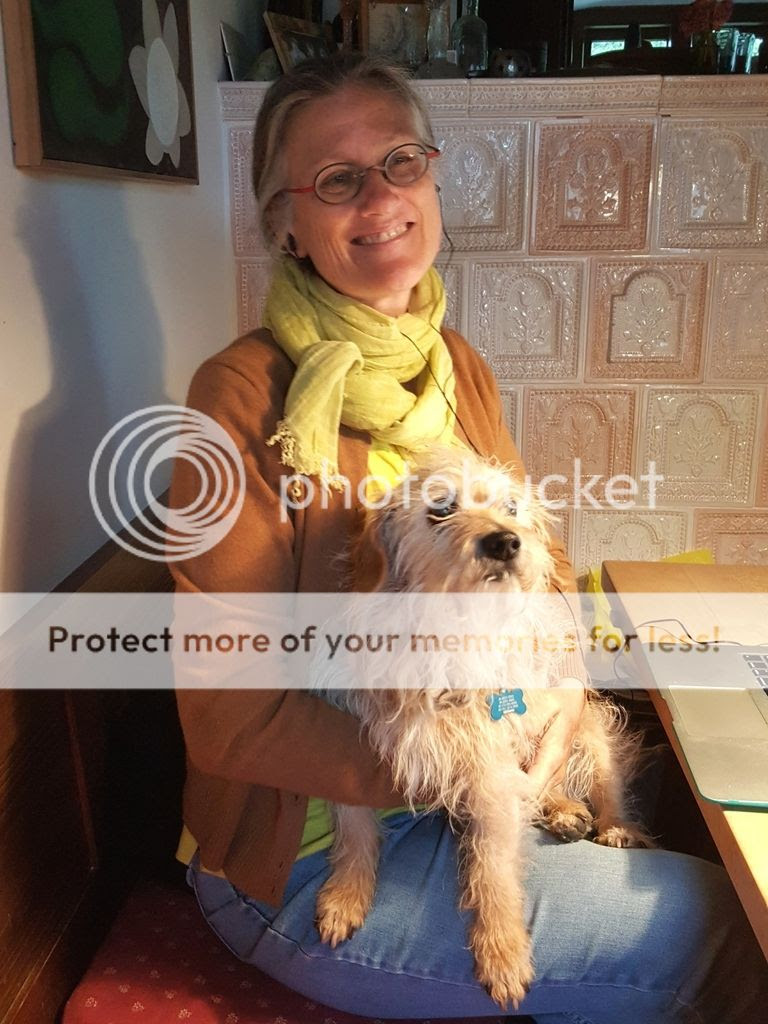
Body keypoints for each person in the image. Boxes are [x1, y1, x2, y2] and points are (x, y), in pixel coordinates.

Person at [170, 53, 767, 1022]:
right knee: (723, 927)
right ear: (283, 221)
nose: (381, 198)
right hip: (305, 851)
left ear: (433, 177)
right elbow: (228, 720)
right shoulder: (238, 398)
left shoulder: (456, 365)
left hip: (465, 782)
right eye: (337, 179)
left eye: (400, 161)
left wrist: (558, 689)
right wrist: (478, 761)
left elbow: (539, 562)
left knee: (693, 831)